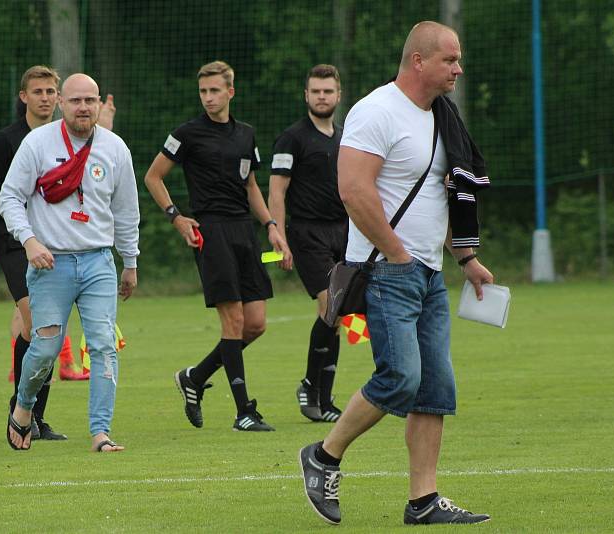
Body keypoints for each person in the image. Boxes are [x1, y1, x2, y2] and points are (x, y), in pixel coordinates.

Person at [298, 22, 493, 525]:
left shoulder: (441, 118)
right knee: (402, 378)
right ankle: (324, 455)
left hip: (428, 274)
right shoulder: (376, 110)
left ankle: (423, 500)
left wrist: (466, 259)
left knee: (435, 390)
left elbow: (441, 197)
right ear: (419, 62)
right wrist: (398, 254)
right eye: (450, 60)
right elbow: (353, 190)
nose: (458, 68)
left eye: (458, 59)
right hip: (387, 270)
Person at [144, 60, 291, 432]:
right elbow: (153, 176)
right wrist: (177, 217)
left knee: (255, 325)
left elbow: (251, 186)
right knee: (234, 320)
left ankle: (194, 377)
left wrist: (271, 226)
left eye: (214, 91)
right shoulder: (187, 133)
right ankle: (244, 412)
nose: (208, 98)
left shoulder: (245, 134)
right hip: (210, 231)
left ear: (230, 92)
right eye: (203, 92)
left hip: (244, 232)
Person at [0, 73, 140, 452]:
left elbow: (126, 211)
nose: (83, 107)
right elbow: (9, 198)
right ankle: (24, 407)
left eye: (90, 100)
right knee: (45, 349)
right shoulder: (37, 143)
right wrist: (29, 243)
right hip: (50, 264)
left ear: (98, 104)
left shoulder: (115, 149)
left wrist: (130, 262)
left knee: (103, 347)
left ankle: (100, 433)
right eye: (76, 100)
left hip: (98, 263)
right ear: (62, 102)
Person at [0, 65, 70, 440]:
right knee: (36, 324)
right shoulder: (6, 142)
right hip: (16, 245)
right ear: (23, 97)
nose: (45, 98)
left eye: (51, 92)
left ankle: (31, 414)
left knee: (49, 330)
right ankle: (24, 411)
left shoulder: (67, 140)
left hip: (59, 245)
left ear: (59, 98)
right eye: (38, 92)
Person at [268, 64, 346, 423]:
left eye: (327, 91)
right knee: (330, 306)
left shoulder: (343, 137)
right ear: (306, 95)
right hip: (307, 234)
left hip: (343, 233)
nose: (321, 97)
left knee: (338, 313)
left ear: (338, 95)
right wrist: (278, 233)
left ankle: (324, 398)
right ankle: (310, 386)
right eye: (315, 91)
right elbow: (277, 190)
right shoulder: (292, 138)